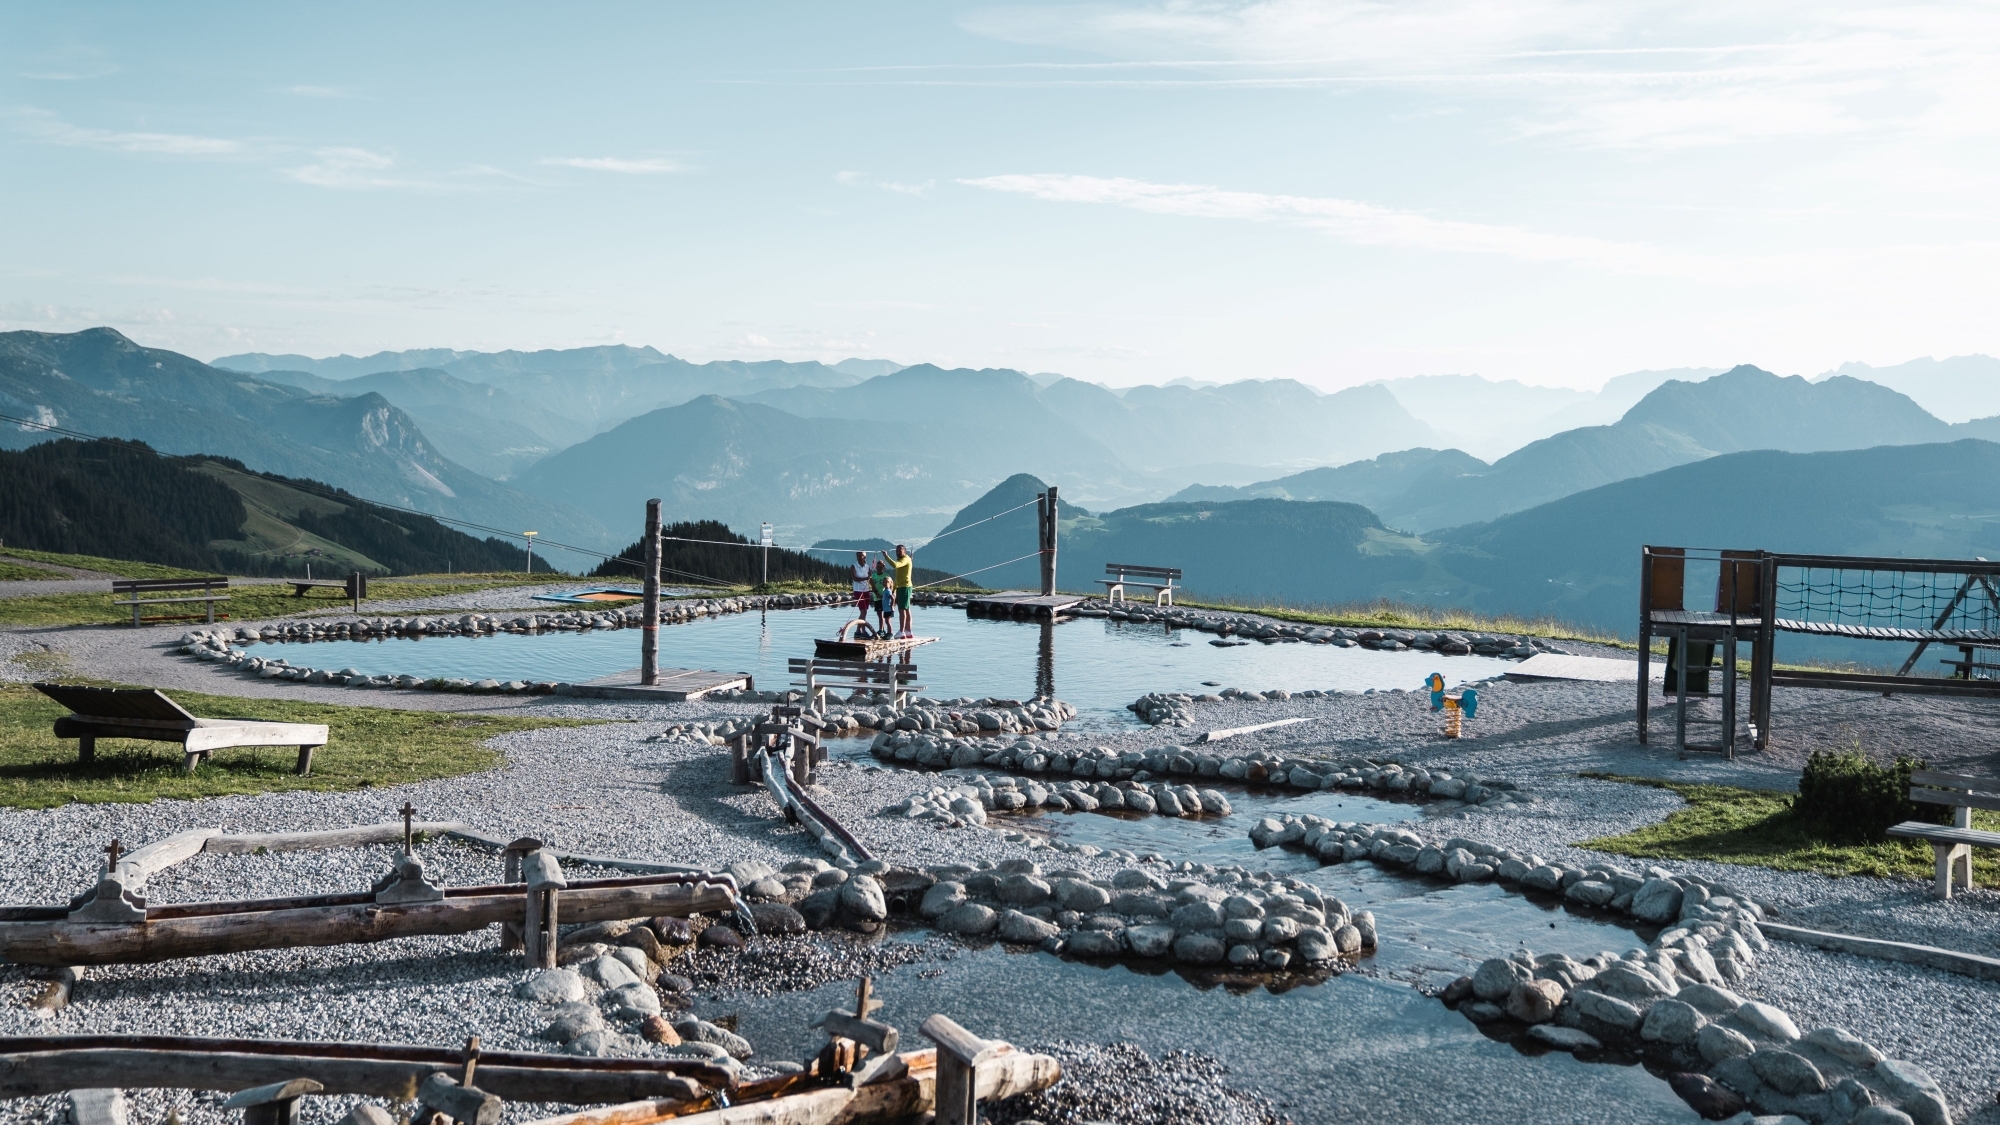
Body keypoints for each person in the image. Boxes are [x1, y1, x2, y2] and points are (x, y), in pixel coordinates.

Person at [881, 544, 915, 638]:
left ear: (905, 551)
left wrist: (886, 556)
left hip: (905, 587)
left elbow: (895, 565)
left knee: (902, 609)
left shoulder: (905, 559)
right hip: (901, 587)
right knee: (907, 609)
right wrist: (894, 589)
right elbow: (897, 577)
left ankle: (902, 631)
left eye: (900, 551)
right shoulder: (901, 560)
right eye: (896, 551)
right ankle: (908, 631)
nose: (897, 553)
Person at [871, 560, 894, 636]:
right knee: (879, 614)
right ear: (876, 567)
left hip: (884, 598)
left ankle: (882, 630)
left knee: (885, 615)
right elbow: (872, 585)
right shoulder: (873, 576)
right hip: (876, 597)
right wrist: (876, 593)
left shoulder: (886, 575)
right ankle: (882, 630)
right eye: (878, 567)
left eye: (881, 567)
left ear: (884, 568)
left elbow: (891, 585)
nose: (879, 568)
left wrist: (891, 595)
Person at [850, 551, 871, 620]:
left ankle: (858, 629)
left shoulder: (867, 567)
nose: (859, 558)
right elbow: (854, 578)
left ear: (864, 557)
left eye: (860, 556)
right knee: (863, 611)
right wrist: (866, 578)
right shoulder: (854, 566)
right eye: (858, 556)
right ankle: (863, 630)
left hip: (866, 590)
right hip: (858, 590)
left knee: (865, 611)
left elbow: (870, 578)